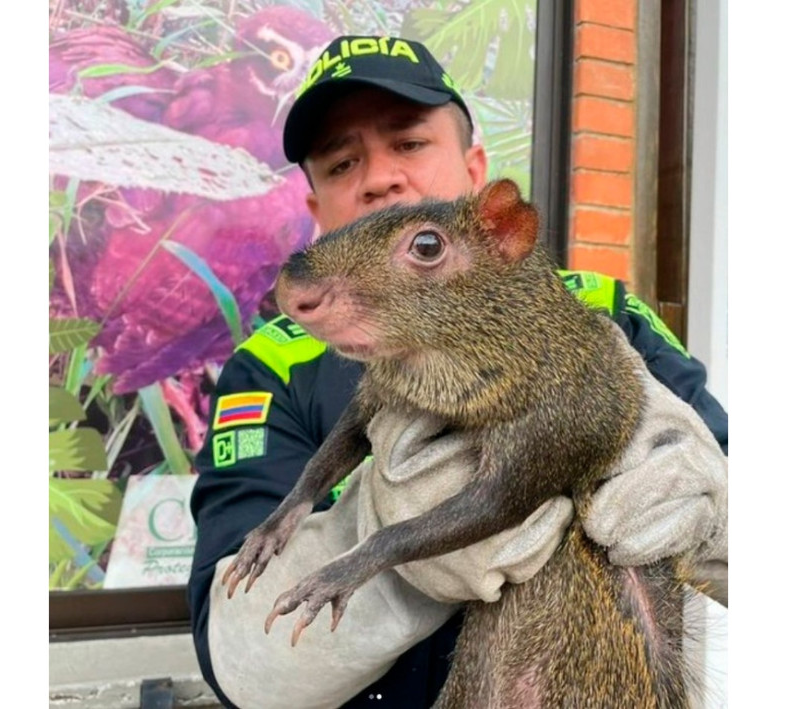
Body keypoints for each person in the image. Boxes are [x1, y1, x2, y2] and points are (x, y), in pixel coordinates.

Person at [188, 35, 728, 708]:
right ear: (318, 215)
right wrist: (375, 558)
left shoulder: (607, 310)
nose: (379, 177)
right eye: (340, 162)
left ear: (479, 179)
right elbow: (229, 639)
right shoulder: (271, 365)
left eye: (409, 143)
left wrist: (711, 518)